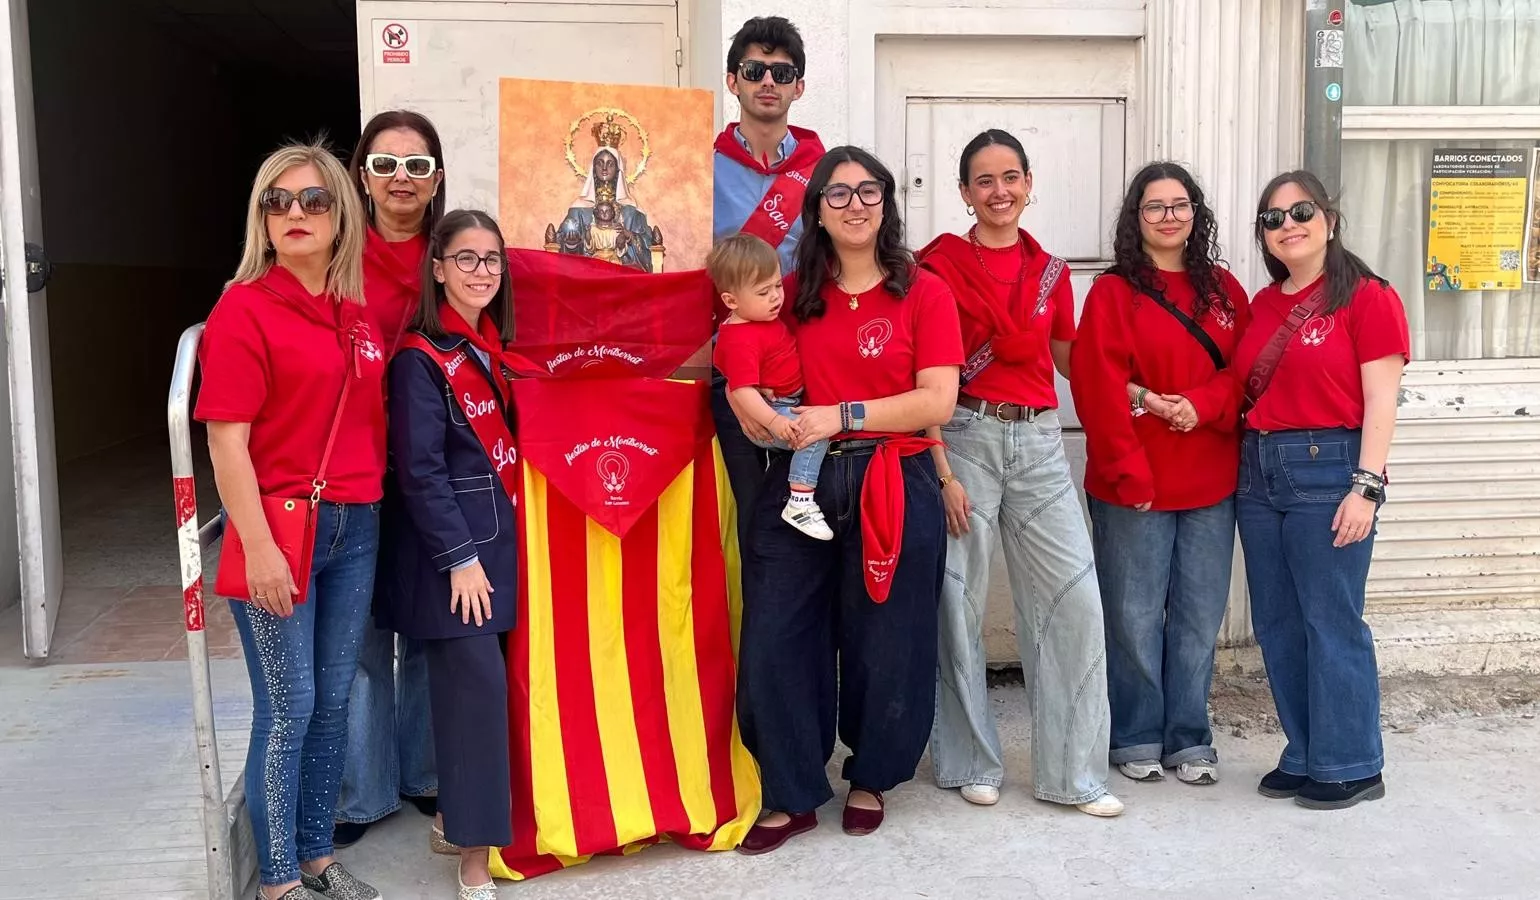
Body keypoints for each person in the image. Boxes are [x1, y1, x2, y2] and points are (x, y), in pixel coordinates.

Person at [734, 146, 961, 854]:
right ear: (818, 211)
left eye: (869, 191)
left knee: (888, 636)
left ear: (887, 203)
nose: (855, 204)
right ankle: (791, 788)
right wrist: (754, 410)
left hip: (892, 477)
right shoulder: (787, 293)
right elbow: (747, 366)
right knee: (777, 635)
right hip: (797, 482)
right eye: (838, 194)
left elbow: (938, 399)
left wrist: (844, 414)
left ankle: (872, 776)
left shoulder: (924, 291)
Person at [196, 140, 383, 900]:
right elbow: (226, 441)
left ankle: (314, 854)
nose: (294, 213)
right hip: (279, 531)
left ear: (341, 215)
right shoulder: (244, 307)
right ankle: (277, 881)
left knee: (334, 702)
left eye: (313, 200)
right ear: (261, 218)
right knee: (289, 706)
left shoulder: (355, 314)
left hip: (356, 526)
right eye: (277, 201)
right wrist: (261, 549)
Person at [916, 129, 1122, 818]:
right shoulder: (936, 267)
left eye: (1010, 177)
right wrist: (939, 462)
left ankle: (1075, 773)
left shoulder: (1052, 274)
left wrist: (1135, 390)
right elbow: (923, 368)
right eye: (984, 180)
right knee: (957, 600)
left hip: (1037, 442)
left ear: (1029, 184)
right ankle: (969, 760)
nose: (998, 191)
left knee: (1075, 600)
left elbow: (1071, 360)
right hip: (964, 435)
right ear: (964, 192)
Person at [1070, 162, 1251, 787]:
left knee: (1199, 618)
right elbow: (1095, 382)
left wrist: (1202, 404)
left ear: (1195, 214)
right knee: (1134, 616)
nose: (1168, 217)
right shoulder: (1113, 292)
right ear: (1136, 217)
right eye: (1155, 206)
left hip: (1210, 478)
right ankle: (1136, 733)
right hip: (1135, 479)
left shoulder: (1224, 290)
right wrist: (1129, 471)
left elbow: (1244, 372)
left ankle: (1189, 736)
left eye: (1179, 205)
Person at [1233, 170, 1408, 810]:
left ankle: (1352, 762)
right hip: (1258, 470)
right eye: (1273, 218)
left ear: (1329, 220)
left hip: (1329, 468)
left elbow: (1382, 400)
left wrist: (1367, 486)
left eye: (1301, 211)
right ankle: (1306, 750)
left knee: (1331, 618)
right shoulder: (1262, 304)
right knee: (1278, 622)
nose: (1289, 226)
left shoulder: (1367, 297)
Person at [377, 209, 518, 900]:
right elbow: (420, 471)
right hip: (456, 563)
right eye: (466, 258)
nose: (480, 271)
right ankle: (474, 858)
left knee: (486, 697)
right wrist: (459, 558)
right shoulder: (418, 358)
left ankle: (456, 822)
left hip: (503, 548)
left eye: (491, 259)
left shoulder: (494, 346)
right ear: (437, 269)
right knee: (475, 704)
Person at [335, 109, 447, 850]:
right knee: (362, 635)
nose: (401, 179)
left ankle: (427, 772)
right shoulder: (334, 254)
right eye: (384, 165)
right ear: (362, 177)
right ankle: (362, 790)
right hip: (358, 465)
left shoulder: (458, 251)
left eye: (416, 165)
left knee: (434, 629)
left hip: (440, 470)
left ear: (437, 177)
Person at [711, 15, 827, 550]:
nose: (767, 82)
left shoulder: (822, 171)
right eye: (754, 69)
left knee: (811, 507)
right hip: (733, 367)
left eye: (781, 73)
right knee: (751, 514)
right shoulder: (698, 168)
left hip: (806, 361)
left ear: (798, 87)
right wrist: (739, 389)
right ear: (732, 80)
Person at [708, 232, 831, 540]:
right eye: (764, 292)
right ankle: (800, 501)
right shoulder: (740, 339)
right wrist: (775, 421)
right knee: (814, 434)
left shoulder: (759, 319)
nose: (776, 297)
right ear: (731, 301)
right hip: (773, 412)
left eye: (777, 285)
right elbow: (742, 390)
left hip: (788, 402)